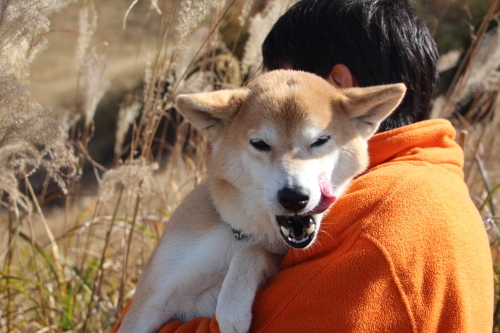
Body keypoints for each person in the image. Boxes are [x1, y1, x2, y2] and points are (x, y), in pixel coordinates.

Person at [113, 0, 494, 332]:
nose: (270, 87)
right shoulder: (435, 183)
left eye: (278, 72)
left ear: (335, 84)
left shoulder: (386, 217)